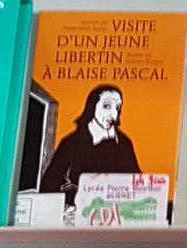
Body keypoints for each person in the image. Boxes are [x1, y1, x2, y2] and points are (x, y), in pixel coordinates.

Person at [39, 84, 142, 213]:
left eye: (117, 107)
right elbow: (48, 187)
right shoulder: (70, 143)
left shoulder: (124, 143)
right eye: (107, 106)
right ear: (92, 106)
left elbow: (137, 183)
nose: (114, 114)